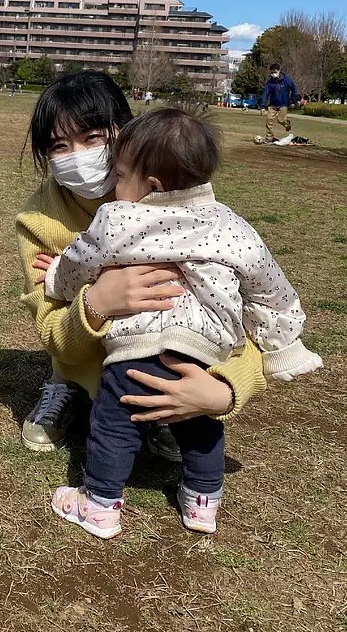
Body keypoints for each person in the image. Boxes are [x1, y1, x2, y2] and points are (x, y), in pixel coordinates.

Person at [34, 108, 321, 537]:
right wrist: (283, 345)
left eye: (120, 174)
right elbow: (269, 288)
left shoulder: (117, 219)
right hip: (204, 350)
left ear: (151, 185)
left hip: (136, 344)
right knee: (201, 422)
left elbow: (80, 261)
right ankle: (203, 501)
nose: (114, 184)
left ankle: (100, 503)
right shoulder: (233, 226)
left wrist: (55, 277)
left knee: (114, 423)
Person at [16, 70, 267, 463]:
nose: (78, 156)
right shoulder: (38, 219)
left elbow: (240, 312)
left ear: (126, 132)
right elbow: (52, 330)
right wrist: (98, 302)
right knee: (77, 366)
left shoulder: (183, 209)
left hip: (170, 351)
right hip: (84, 353)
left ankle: (166, 408)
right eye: (59, 146)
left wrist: (228, 388)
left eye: (93, 138)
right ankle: (68, 385)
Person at [260, 63, 298, 141]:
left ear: (279, 71)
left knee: (281, 120)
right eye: (271, 72)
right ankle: (269, 137)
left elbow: (294, 89)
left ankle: (287, 124)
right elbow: (265, 94)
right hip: (272, 105)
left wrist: (294, 101)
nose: (273, 74)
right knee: (269, 120)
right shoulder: (269, 82)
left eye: (275, 72)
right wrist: (263, 106)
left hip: (283, 105)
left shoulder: (286, 80)